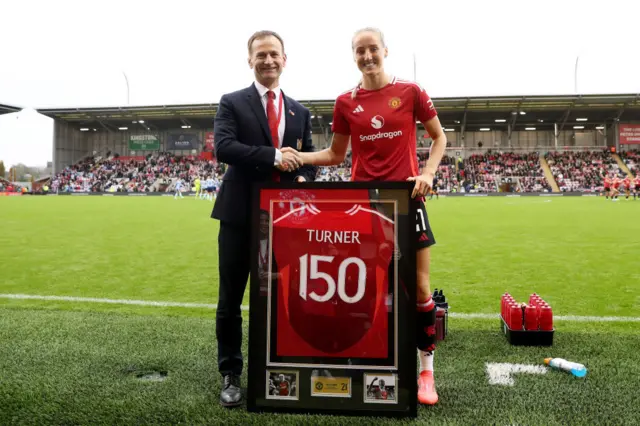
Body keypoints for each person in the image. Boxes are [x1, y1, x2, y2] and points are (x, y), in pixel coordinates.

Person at [283, 27, 447, 405]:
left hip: (406, 202)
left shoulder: (411, 92)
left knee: (420, 288)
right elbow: (336, 155)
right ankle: (374, 360)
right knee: (369, 290)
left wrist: (427, 173)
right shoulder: (345, 102)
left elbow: (439, 138)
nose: (367, 55)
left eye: (373, 48)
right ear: (353, 56)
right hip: (362, 206)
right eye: (360, 50)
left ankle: (426, 371)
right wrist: (300, 156)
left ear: (385, 50)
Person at [211, 29, 317, 408]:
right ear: (250, 60)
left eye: (275, 54)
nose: (268, 60)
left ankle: (279, 367)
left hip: (284, 221)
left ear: (285, 59)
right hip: (240, 217)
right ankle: (230, 372)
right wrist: (274, 156)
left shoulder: (300, 111)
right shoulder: (232, 102)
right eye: (261, 55)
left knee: (284, 299)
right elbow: (223, 148)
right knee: (231, 299)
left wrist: (304, 176)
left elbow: (309, 160)